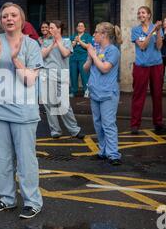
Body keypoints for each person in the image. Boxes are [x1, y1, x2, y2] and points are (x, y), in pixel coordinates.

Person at [0, 2, 43, 219]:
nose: (9, 19)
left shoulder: (31, 45)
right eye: (5, 16)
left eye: (13, 15)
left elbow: (29, 80)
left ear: (22, 19)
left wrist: (16, 58)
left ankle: (32, 201)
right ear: (0, 20)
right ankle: (7, 198)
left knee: (26, 160)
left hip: (23, 112)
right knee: (3, 158)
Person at [83, 22, 122, 165]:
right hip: (95, 92)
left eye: (96, 32)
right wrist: (90, 56)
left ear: (104, 34)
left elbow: (105, 68)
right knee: (98, 124)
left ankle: (113, 154)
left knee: (108, 124)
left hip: (108, 93)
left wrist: (94, 55)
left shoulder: (113, 51)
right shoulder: (96, 49)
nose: (93, 35)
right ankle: (103, 151)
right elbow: (85, 68)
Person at [40, 20, 85, 139]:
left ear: (59, 29)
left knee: (64, 105)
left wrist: (58, 41)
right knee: (49, 105)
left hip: (61, 75)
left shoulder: (66, 41)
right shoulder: (46, 42)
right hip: (47, 74)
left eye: (52, 27)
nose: (49, 30)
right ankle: (55, 131)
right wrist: (51, 44)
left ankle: (74, 130)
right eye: (49, 28)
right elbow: (42, 55)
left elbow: (65, 54)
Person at [130, 6, 166, 135]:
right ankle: (135, 125)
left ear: (149, 15)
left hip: (156, 65)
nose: (140, 15)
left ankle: (158, 123)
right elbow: (142, 46)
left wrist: (158, 31)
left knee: (157, 95)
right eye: (139, 13)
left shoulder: (157, 29)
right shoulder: (136, 30)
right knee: (138, 95)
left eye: (143, 12)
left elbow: (159, 46)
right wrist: (153, 30)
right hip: (141, 66)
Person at [69, 21, 93, 98]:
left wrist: (79, 41)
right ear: (76, 28)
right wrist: (75, 41)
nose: (80, 27)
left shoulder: (87, 36)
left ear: (84, 28)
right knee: (73, 75)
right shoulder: (73, 36)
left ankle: (87, 91)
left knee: (84, 75)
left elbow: (88, 46)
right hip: (73, 59)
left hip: (83, 58)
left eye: (82, 26)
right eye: (78, 26)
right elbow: (70, 47)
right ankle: (73, 91)